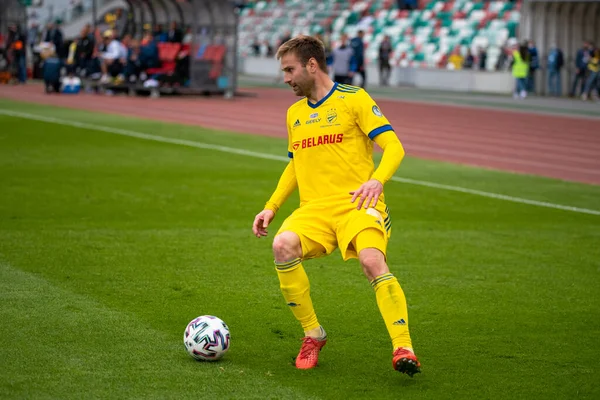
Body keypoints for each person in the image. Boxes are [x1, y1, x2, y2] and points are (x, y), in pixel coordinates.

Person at [251, 35, 421, 377]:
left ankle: (403, 346)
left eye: (289, 69)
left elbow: (394, 147)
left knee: (372, 261)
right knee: (282, 245)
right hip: (315, 209)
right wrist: (272, 206)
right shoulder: (295, 114)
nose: (285, 78)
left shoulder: (353, 99)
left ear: (312, 65)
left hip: (358, 205)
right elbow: (295, 164)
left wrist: (377, 181)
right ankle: (313, 334)